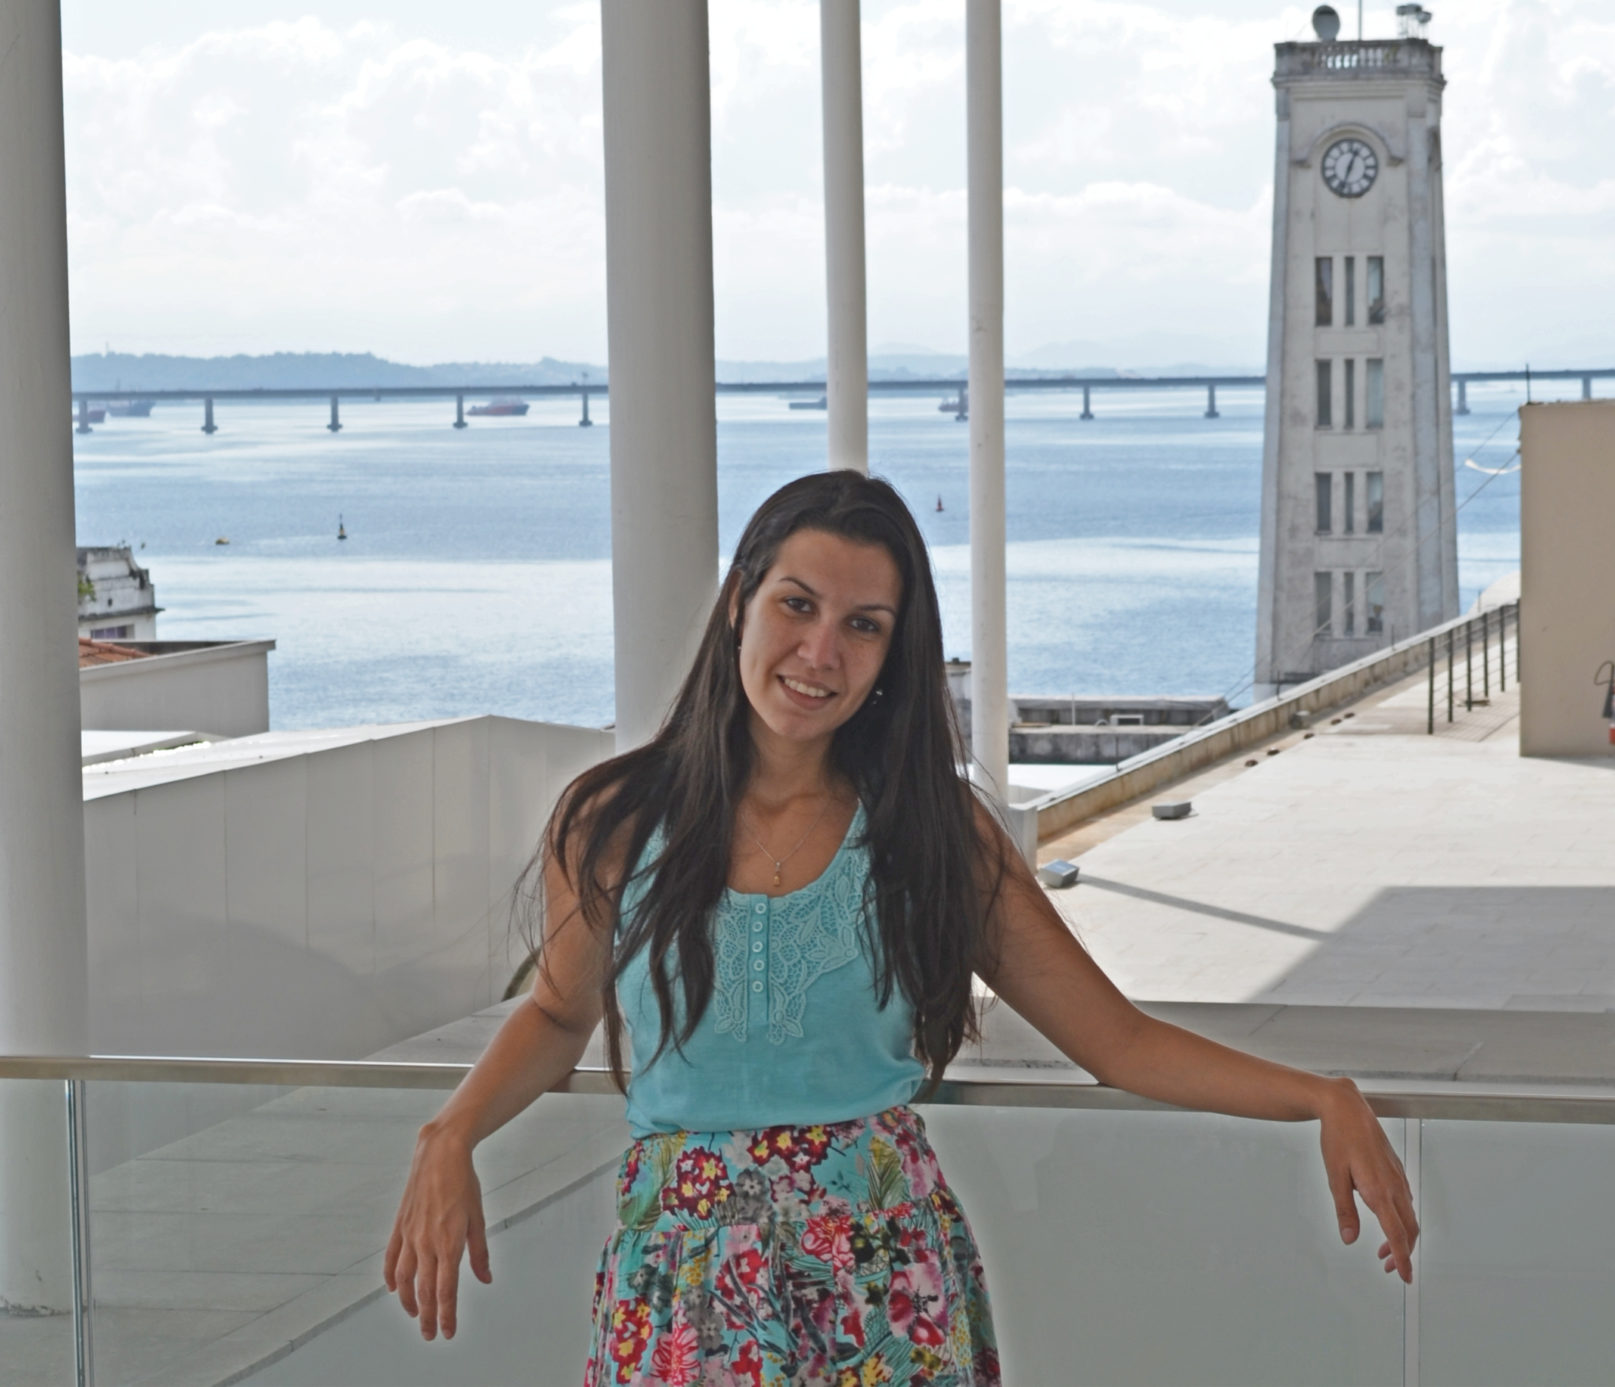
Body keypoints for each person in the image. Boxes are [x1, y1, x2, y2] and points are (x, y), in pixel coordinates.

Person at [383, 471, 1417, 1385]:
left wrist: (1318, 1096)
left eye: (863, 624)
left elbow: (1116, 1041)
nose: (819, 651)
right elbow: (560, 1012)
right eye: (796, 604)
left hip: (883, 1282)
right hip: (683, 1280)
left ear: (892, 653)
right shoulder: (612, 821)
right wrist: (450, 1131)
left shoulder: (931, 837)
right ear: (739, 602)